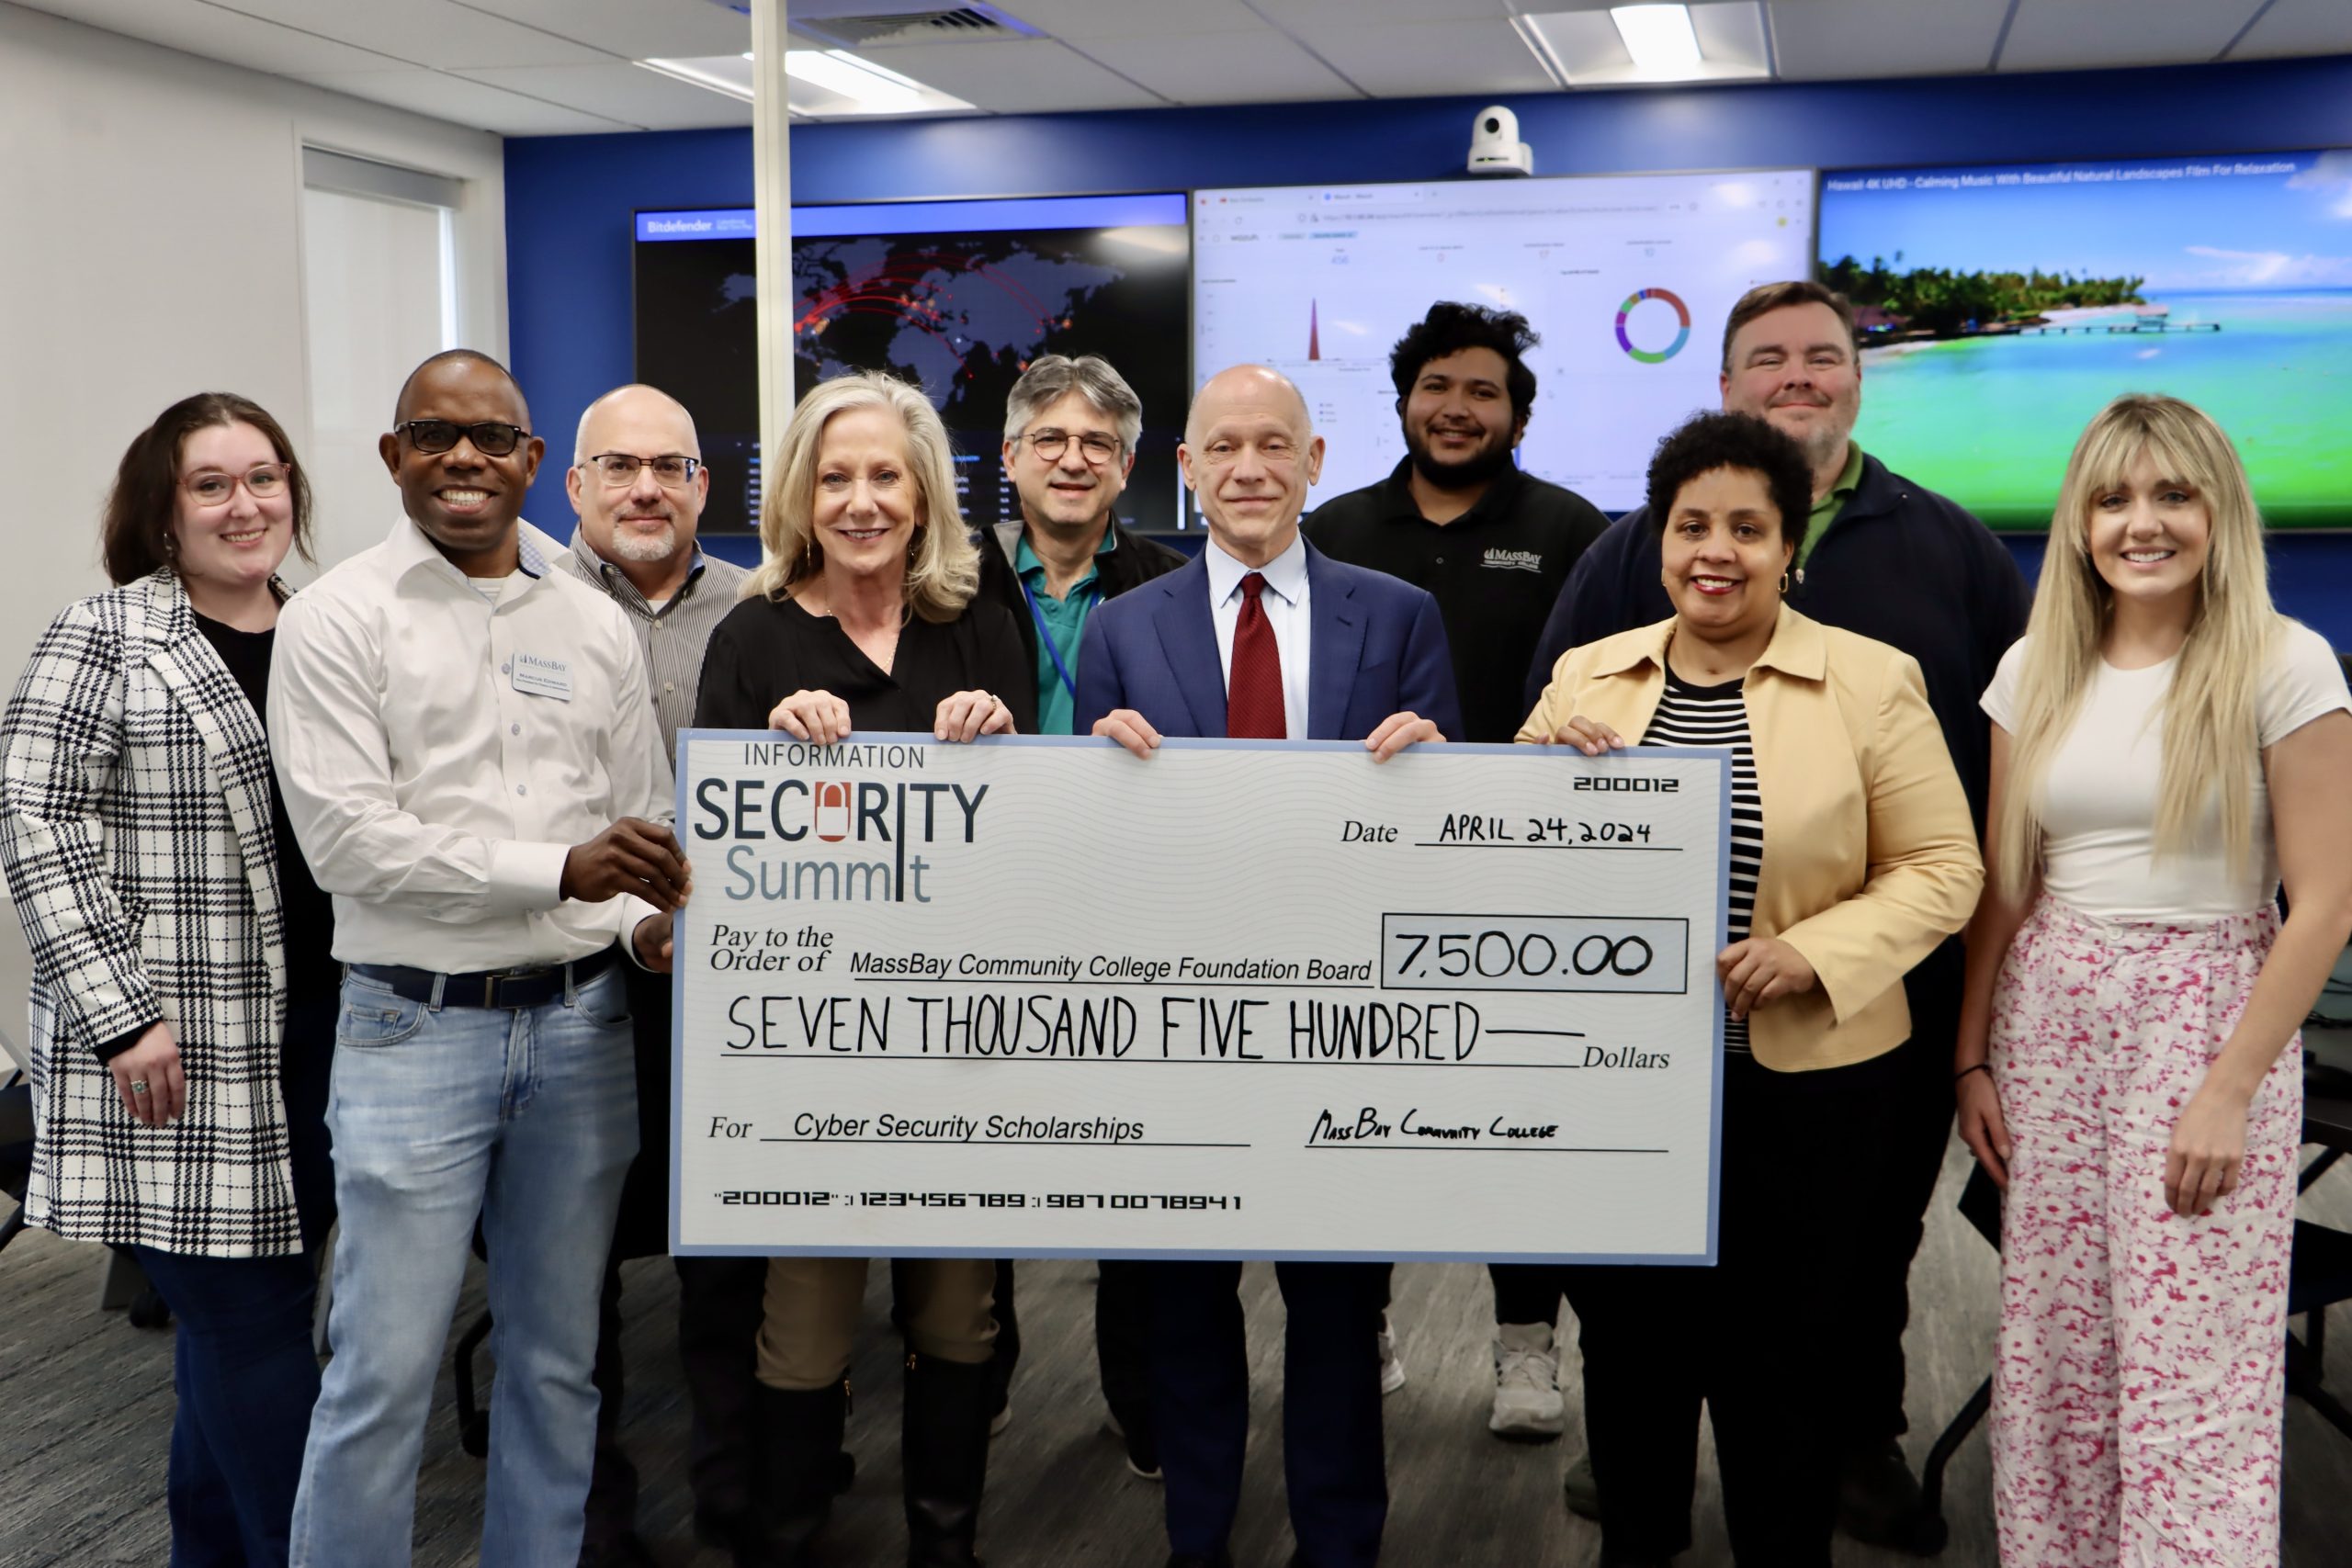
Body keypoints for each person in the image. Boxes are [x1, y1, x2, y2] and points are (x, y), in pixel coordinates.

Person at [1526, 279, 2028, 1533]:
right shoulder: (1589, 675)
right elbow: (1509, 857)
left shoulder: (1873, 679)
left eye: (1747, 527)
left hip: (1814, 1084)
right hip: (1620, 1083)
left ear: (1786, 545)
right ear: (1659, 541)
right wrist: (1538, 782)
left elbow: (1944, 867)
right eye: (1693, 524)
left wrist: (1812, 952)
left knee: (1787, 1370)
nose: (1716, 549)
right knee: (1630, 1357)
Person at [273, 349, 689, 1568]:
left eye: (493, 437)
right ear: (394, 454)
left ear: (532, 461)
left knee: (557, 1363)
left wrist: (651, 922)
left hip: (580, 1031)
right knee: (381, 1374)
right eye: (436, 433)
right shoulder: (337, 616)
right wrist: (564, 870)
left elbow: (639, 821)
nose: (466, 457)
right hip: (413, 1035)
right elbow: (352, 845)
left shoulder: (591, 617)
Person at [1953, 394, 2352, 1567]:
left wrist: (2230, 1089)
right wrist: (1969, 1054)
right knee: (2057, 1349)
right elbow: (2006, 882)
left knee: (2193, 1370)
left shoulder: (2286, 661)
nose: (2143, 523)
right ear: (2079, 522)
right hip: (2050, 1017)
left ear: (2217, 510)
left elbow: (2324, 901)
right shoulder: (2037, 665)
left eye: (2172, 494)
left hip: (2209, 1015)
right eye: (2114, 498)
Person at [1076, 363, 1460, 1568]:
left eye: (1274, 444)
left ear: (1314, 460)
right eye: (1223, 446)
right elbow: (1087, 858)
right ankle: (1200, 1536)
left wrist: (1441, 767)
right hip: (1177, 1036)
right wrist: (1088, 768)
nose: (1249, 467)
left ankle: (1338, 1543)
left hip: (1341, 1029)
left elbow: (1446, 841)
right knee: (1185, 1315)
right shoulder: (1119, 628)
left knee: (1339, 1315)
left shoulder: (1397, 615)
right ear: (1184, 468)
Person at [695, 369, 1034, 1568]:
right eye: (835, 476)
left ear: (924, 488)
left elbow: (1038, 836)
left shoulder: (982, 623)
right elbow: (715, 855)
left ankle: (946, 1546)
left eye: (885, 473)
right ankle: (792, 1541)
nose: (861, 498)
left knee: (959, 1316)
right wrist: (768, 755)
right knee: (803, 1331)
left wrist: (1004, 740)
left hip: (958, 1051)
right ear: (799, 492)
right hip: (810, 1067)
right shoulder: (751, 638)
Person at [0, 393, 336, 1567]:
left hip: (323, 1028)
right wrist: (118, 1015)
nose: (246, 505)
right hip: (169, 1049)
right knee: (252, 1325)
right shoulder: (105, 634)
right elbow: (36, 825)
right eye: (212, 483)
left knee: (238, 1324)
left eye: (265, 476)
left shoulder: (325, 624)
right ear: (163, 509)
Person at [1304, 299, 1608, 1438]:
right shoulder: (1332, 527)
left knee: (1519, 1116)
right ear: (1403, 400)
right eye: (1439, 386)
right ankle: (1365, 1317)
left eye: (1484, 391)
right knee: (1362, 1103)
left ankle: (1527, 1346)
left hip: (1522, 879)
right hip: (1359, 876)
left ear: (1516, 413)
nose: (1457, 407)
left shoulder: (1575, 529)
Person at [974, 351, 1186, 1475]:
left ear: (1127, 467)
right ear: (1008, 458)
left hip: (1126, 908)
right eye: (1048, 440)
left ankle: (1138, 1398)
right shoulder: (943, 581)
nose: (1072, 459)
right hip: (984, 903)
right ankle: (984, 1375)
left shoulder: (1170, 582)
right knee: (979, 1146)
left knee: (1131, 1160)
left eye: (1095, 444)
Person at [554, 382, 752, 1568]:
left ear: (700, 485)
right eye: (617, 466)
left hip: (730, 990)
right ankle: (593, 1517)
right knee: (573, 1270)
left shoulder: (762, 604)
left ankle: (740, 1509)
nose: (644, 488)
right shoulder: (519, 609)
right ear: (572, 486)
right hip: (576, 984)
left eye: (668, 466)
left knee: (724, 1261)